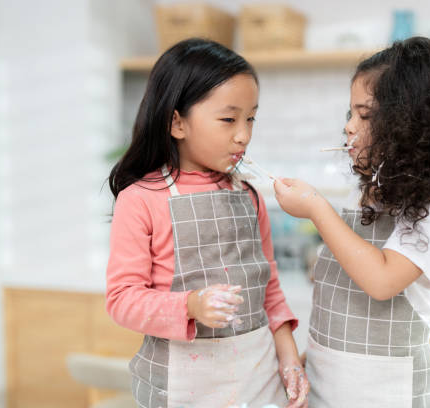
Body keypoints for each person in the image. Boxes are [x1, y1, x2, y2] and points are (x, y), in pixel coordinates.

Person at [273, 36, 430, 407]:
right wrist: (307, 365)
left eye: (365, 115)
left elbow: (382, 280)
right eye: (350, 114)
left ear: (413, 125)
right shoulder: (369, 192)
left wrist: (316, 208)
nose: (350, 127)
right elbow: (339, 324)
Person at [106, 38, 309, 408]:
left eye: (250, 118)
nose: (244, 134)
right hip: (184, 387)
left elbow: (270, 293)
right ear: (177, 122)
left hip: (259, 380)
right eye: (229, 119)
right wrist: (192, 305)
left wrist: (290, 360)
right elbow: (122, 301)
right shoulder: (140, 200)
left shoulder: (249, 196)